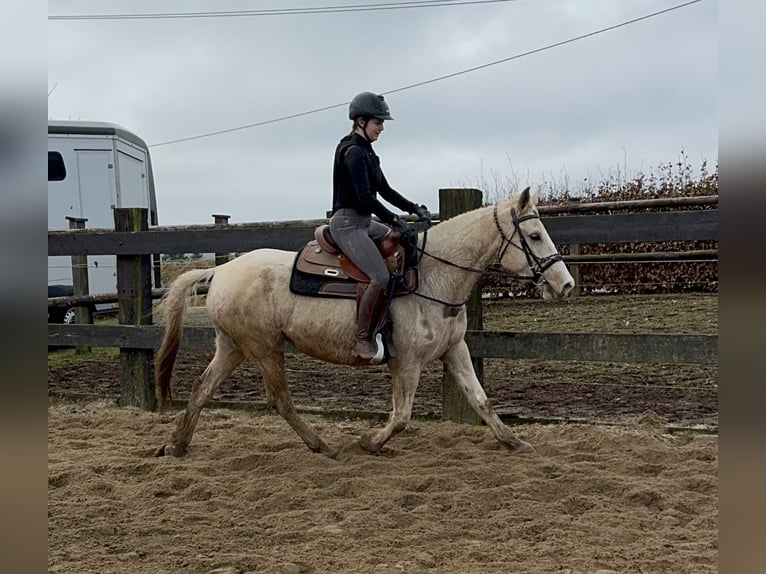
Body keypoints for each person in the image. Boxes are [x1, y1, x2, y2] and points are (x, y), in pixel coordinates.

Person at [330, 91, 431, 362]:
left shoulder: (368, 153)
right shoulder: (352, 152)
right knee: (379, 277)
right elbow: (364, 197)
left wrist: (412, 208)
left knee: (403, 245)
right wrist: (392, 220)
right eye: (378, 122)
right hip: (348, 225)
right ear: (361, 121)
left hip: (364, 222)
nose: (382, 128)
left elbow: (384, 190)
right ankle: (362, 340)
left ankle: (384, 328)